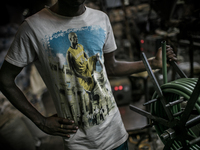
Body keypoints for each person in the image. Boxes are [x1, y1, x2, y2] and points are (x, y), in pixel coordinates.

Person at [0, 0, 177, 150]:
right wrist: (41, 121)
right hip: (79, 142)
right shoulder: (33, 28)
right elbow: (5, 80)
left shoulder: (101, 19)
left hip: (116, 133)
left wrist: (152, 63)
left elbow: (112, 67)